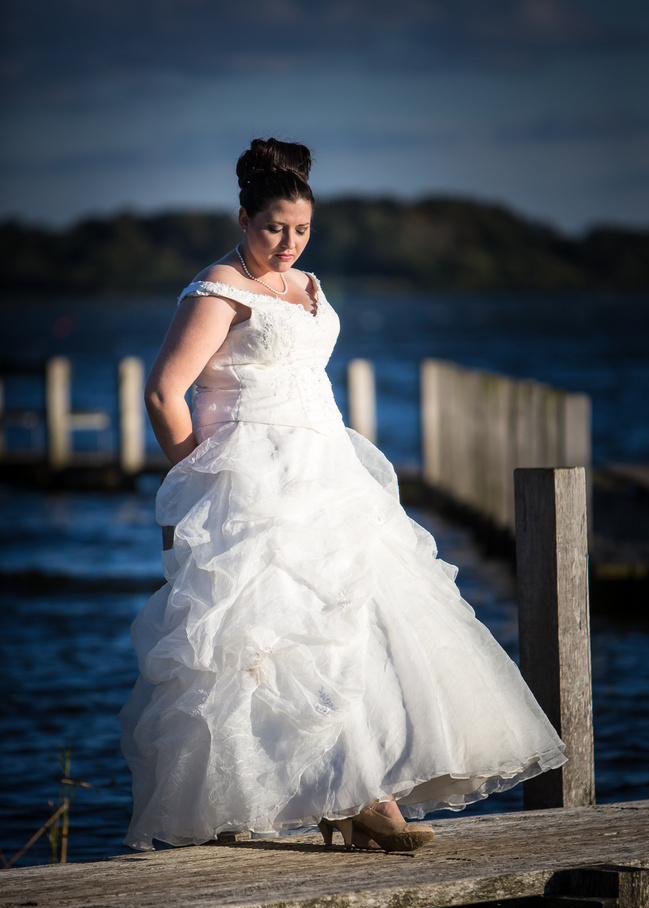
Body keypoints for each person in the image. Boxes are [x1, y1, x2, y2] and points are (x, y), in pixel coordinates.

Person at [120, 137, 567, 855]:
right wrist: (197, 476)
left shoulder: (307, 284)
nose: (288, 242)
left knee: (352, 630)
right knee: (274, 640)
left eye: (301, 229)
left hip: (327, 471)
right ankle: (345, 799)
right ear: (243, 218)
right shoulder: (219, 290)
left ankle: (359, 794)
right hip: (253, 482)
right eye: (273, 228)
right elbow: (163, 391)